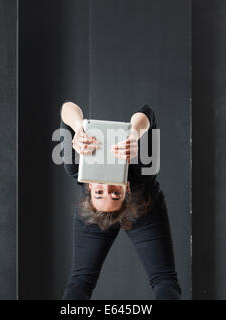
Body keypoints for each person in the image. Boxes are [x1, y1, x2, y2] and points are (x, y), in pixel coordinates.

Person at [60, 101, 181, 300]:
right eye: (115, 193)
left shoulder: (75, 166)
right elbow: (147, 113)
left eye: (99, 192)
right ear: (126, 190)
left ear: (89, 187)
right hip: (143, 206)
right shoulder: (143, 170)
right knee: (164, 280)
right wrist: (135, 133)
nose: (107, 186)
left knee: (79, 282)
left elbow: (67, 108)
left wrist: (77, 127)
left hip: (131, 211)